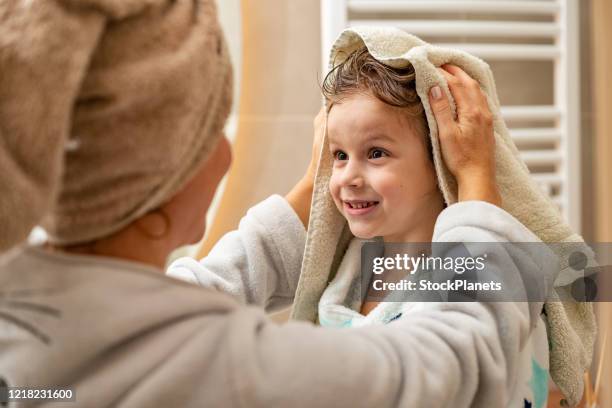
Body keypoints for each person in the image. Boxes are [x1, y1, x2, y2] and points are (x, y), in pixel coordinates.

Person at [0, 1, 552, 407]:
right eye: (213, 130)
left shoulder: (31, 319)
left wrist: (321, 181)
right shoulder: (232, 369)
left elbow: (207, 286)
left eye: (374, 152)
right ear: (161, 182)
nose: (226, 150)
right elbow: (461, 371)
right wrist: (478, 179)